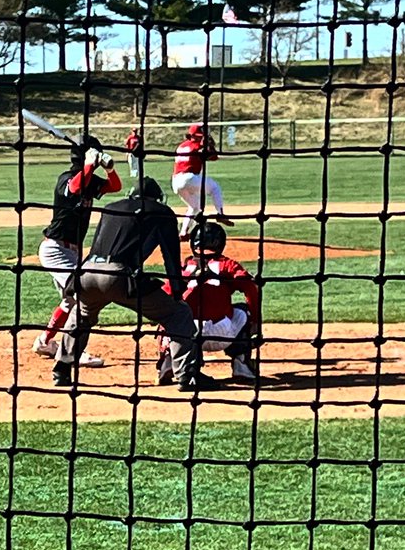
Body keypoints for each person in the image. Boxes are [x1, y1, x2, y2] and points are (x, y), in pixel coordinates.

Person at [53, 177, 224, 393]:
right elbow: (170, 256)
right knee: (178, 315)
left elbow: (97, 246)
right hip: (119, 275)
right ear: (156, 198)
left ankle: (62, 368)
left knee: (82, 315)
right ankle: (187, 376)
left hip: (87, 274)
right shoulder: (161, 211)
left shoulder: (111, 208)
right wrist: (178, 292)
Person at [31, 134, 123, 366]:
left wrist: (109, 168)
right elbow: (74, 189)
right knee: (83, 294)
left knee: (70, 301)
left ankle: (45, 341)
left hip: (72, 251)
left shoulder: (91, 181)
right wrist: (89, 165)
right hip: (55, 249)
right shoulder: (67, 178)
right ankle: (73, 351)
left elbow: (115, 186)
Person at [156, 222, 260, 384]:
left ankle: (168, 362)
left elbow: (164, 296)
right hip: (223, 333)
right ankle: (241, 365)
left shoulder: (183, 267)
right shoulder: (227, 264)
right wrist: (255, 320)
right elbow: (251, 288)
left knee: (170, 316)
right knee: (243, 311)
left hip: (187, 335)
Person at [171, 122, 231, 239]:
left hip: (176, 181)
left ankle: (183, 232)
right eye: (199, 135)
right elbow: (214, 157)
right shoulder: (197, 146)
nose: (201, 137)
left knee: (195, 207)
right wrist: (210, 147)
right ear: (193, 135)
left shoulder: (182, 146)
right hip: (189, 177)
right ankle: (221, 214)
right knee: (215, 187)